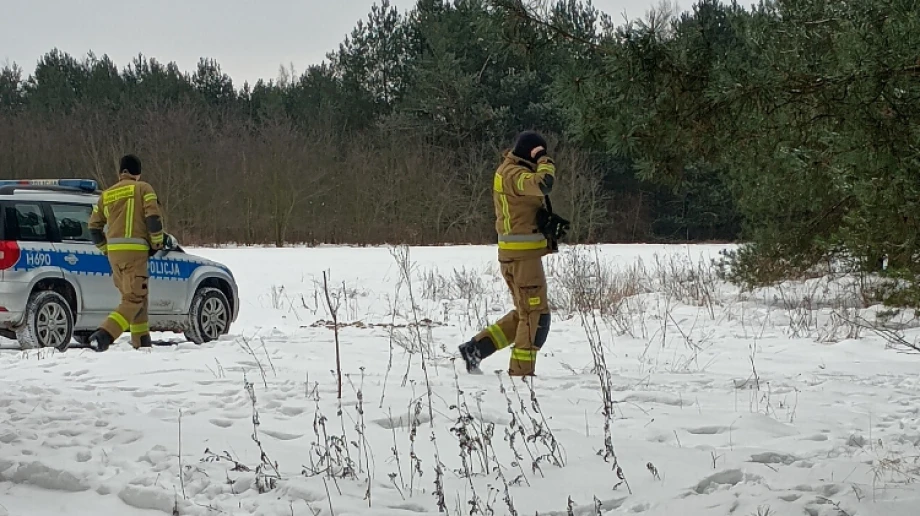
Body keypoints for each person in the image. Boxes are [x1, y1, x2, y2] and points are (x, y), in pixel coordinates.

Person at [459, 130, 567, 377]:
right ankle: (521, 374)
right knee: (536, 317)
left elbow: (523, 205)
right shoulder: (515, 174)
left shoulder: (507, 171)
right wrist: (545, 161)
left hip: (513, 255)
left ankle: (475, 349)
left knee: (523, 314)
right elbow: (543, 184)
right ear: (532, 153)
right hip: (523, 258)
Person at [86, 154, 165, 351]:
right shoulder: (143, 188)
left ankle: (142, 342)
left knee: (136, 297)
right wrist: (157, 243)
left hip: (114, 255)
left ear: (121, 172)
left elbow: (94, 228)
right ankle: (105, 334)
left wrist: (106, 249)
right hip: (135, 252)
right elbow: (153, 218)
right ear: (137, 173)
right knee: (135, 298)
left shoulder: (107, 195)